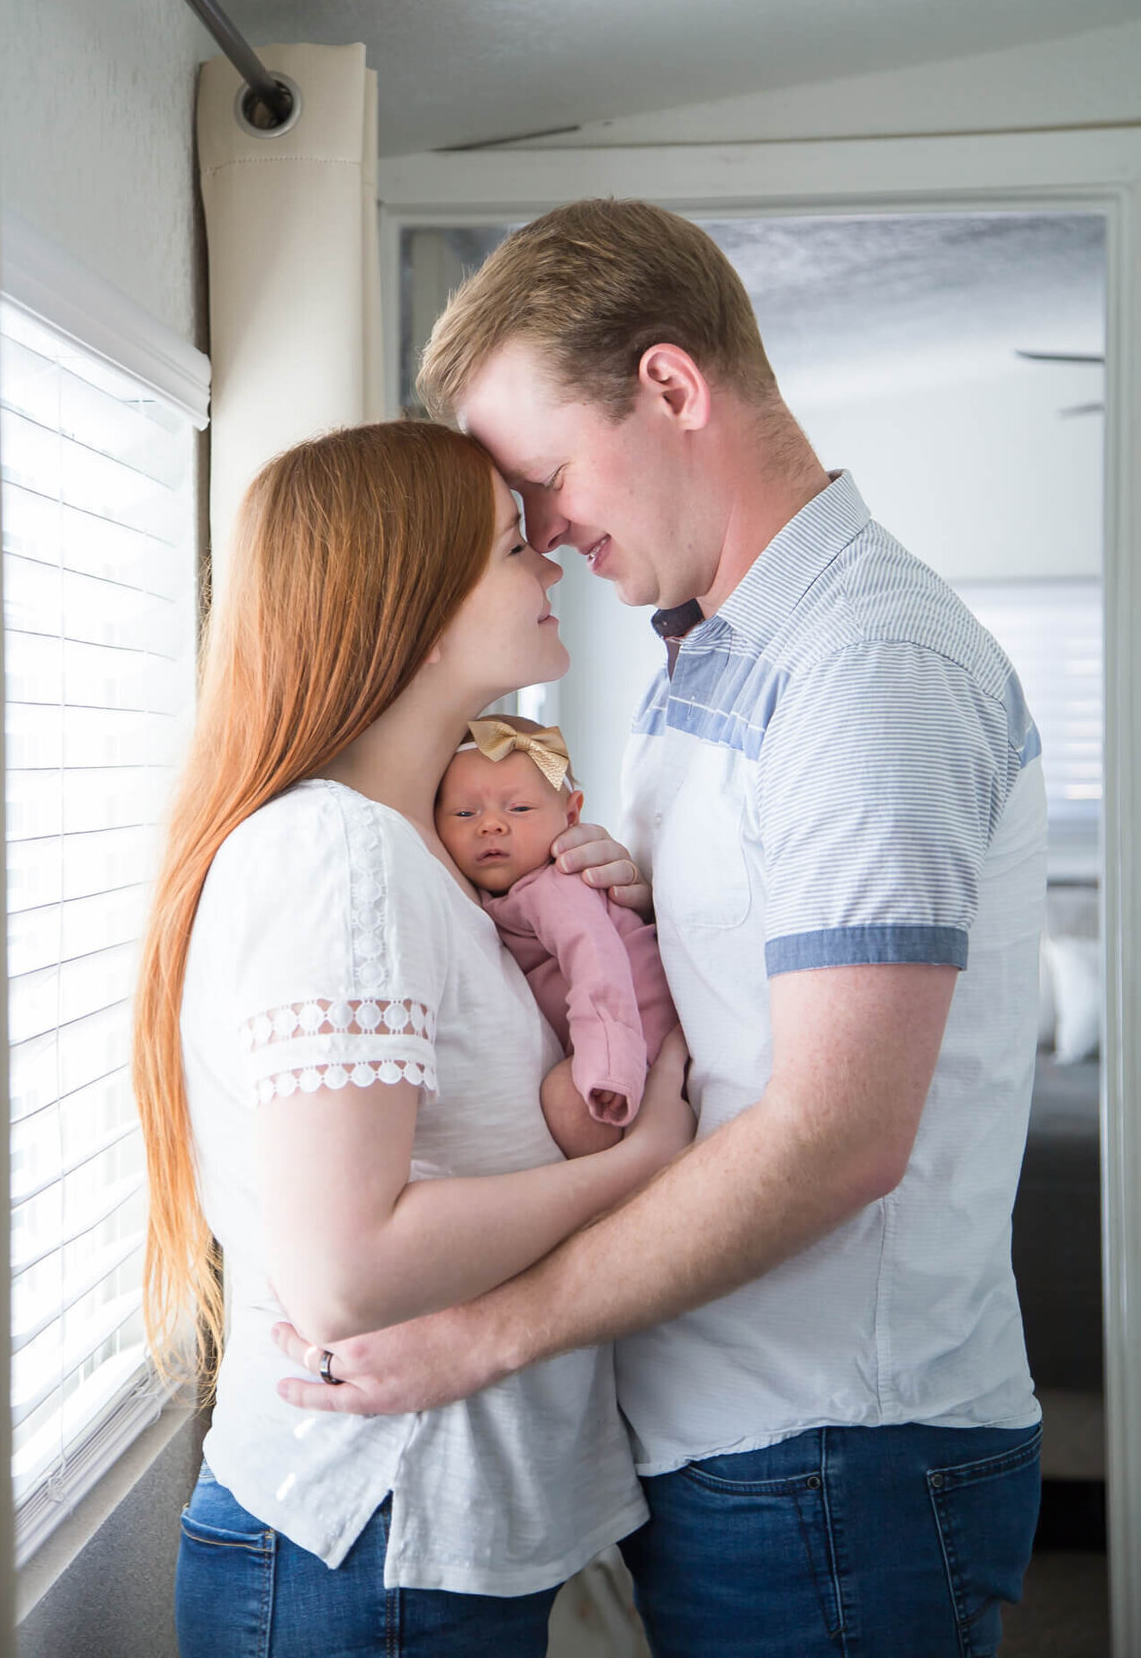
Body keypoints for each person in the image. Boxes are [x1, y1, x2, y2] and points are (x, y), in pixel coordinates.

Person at [273, 200, 1048, 1658]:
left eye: (548, 476)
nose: (547, 533)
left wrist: (485, 1333)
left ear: (673, 389)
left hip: (833, 1447)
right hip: (745, 1437)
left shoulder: (862, 666)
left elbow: (835, 1135)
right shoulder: (716, 667)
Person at [130, 419, 694, 1657]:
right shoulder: (341, 855)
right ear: (415, 604)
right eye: (510, 545)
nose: (550, 560)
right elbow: (349, 1272)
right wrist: (633, 1172)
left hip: (413, 1543)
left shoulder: (414, 860)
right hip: (372, 1547)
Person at [436, 714, 679, 1155]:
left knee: (566, 1103)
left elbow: (598, 964)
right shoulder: (502, 893)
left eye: (519, 808)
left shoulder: (555, 886)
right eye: (465, 813)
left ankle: (621, 1197)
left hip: (635, 1036)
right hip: (624, 1037)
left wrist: (610, 1066)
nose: (490, 825)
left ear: (571, 815)